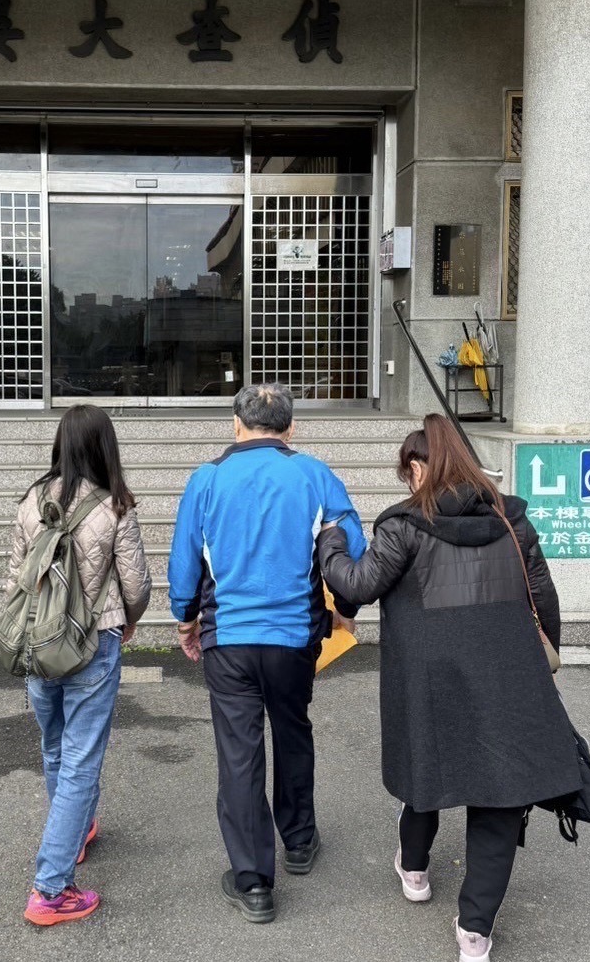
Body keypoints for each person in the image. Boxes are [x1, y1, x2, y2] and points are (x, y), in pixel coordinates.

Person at [317, 413, 581, 962]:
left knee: (427, 769)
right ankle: (475, 932)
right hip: (509, 677)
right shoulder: (512, 519)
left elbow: (357, 586)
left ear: (418, 468)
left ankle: (414, 871)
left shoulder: (404, 526)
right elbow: (543, 594)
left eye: (406, 473)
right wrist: (543, 660)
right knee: (500, 798)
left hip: (430, 680)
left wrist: (331, 541)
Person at [167, 382, 365, 923]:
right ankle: (299, 841)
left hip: (229, 637)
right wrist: (346, 608)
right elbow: (353, 548)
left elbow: (184, 560)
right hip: (295, 637)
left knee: (240, 753)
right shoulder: (314, 475)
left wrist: (186, 619)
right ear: (290, 427)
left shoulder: (207, 479)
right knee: (293, 730)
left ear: (236, 424)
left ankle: (253, 882)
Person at [10, 405, 152, 927]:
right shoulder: (116, 505)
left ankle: (75, 831)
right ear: (104, 447)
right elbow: (136, 582)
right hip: (94, 642)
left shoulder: (31, 500)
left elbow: (15, 575)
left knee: (55, 747)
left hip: (39, 644)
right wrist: (129, 620)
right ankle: (51, 889)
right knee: (80, 760)